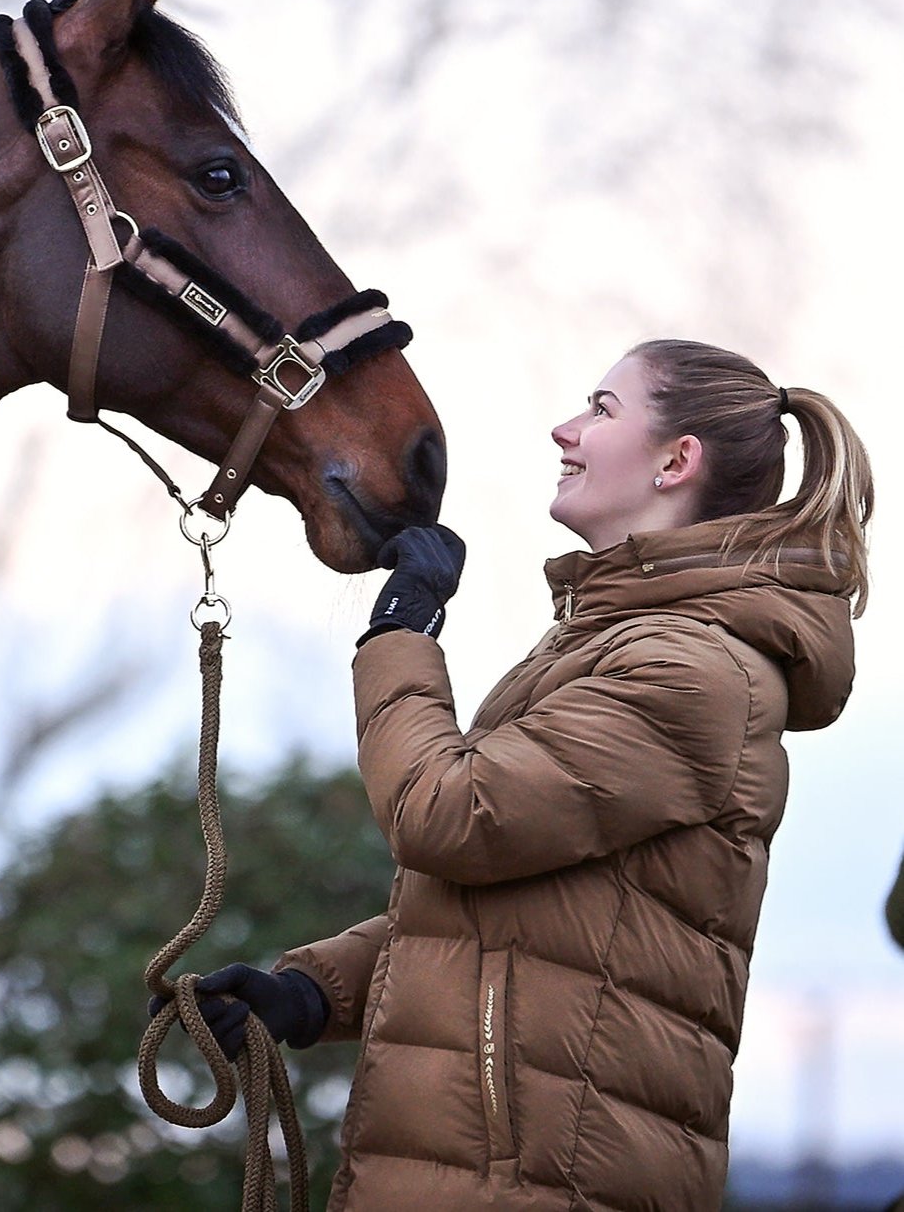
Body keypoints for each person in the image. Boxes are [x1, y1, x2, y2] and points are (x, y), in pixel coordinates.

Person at [185, 339, 871, 1210]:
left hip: (531, 1182)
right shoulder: (611, 648)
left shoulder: (689, 672)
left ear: (676, 461)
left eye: (600, 407)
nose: (565, 428)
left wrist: (400, 629)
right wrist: (309, 992)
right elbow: (504, 915)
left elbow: (448, 814)